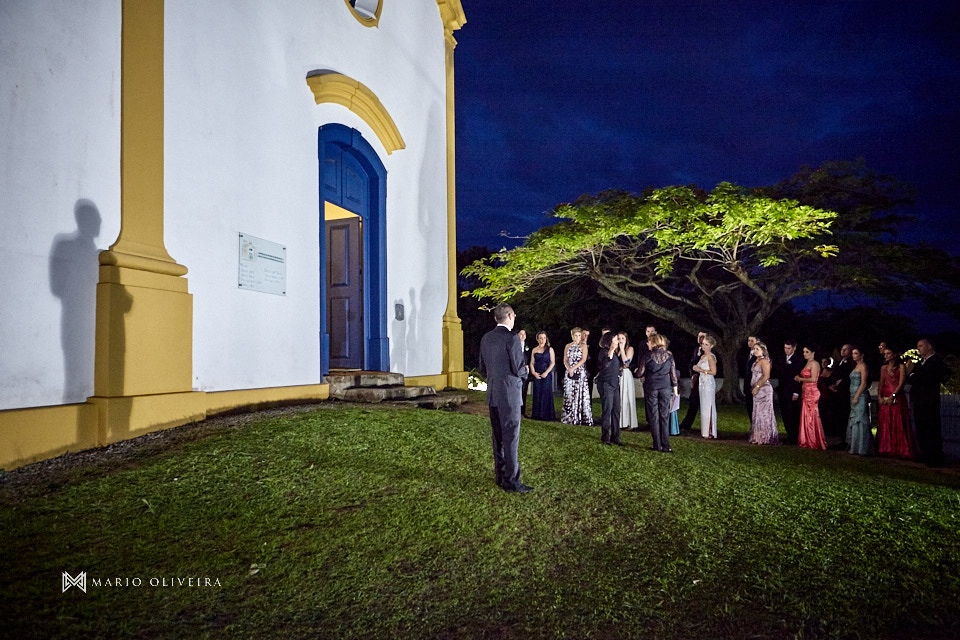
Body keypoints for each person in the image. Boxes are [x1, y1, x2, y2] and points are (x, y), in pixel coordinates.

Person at [477, 303, 532, 493]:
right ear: (509, 316)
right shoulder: (512, 338)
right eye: (514, 315)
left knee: (498, 437)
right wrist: (525, 372)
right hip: (510, 395)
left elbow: (482, 368)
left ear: (495, 318)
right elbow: (518, 369)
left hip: (493, 393)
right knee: (511, 437)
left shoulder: (486, 338)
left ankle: (500, 476)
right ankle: (511, 481)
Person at [908, 338, 948, 466]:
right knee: (921, 428)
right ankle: (925, 453)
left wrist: (915, 376)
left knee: (931, 428)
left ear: (929, 346)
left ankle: (935, 456)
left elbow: (926, 378)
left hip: (929, 400)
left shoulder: (936, 361)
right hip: (919, 400)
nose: (918, 349)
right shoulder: (921, 362)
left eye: (921, 346)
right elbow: (912, 377)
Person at [637, 333, 679, 452]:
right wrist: (675, 387)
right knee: (664, 415)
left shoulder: (647, 356)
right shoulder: (669, 356)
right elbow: (673, 373)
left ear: (654, 343)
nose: (647, 343)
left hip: (651, 386)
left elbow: (640, 373)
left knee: (653, 416)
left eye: (649, 342)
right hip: (665, 387)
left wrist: (637, 371)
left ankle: (657, 444)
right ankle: (666, 445)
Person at [877, 346, 913, 459]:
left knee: (898, 421)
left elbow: (901, 383)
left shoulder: (901, 366)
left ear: (894, 354)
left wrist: (893, 395)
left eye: (888, 353)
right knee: (886, 421)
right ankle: (886, 447)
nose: (886, 355)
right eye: (885, 354)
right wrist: (880, 395)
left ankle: (900, 449)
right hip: (886, 394)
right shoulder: (883, 368)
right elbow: (881, 383)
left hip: (897, 396)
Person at [795, 345, 827, 450]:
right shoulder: (807, 363)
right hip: (806, 391)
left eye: (807, 352)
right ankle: (806, 439)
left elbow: (813, 379)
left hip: (812, 392)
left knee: (811, 415)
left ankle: (813, 440)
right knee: (805, 414)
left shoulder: (815, 363)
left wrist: (800, 379)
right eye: (804, 352)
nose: (804, 354)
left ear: (813, 353)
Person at [596, 332, 625, 445]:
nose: (617, 342)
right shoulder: (603, 352)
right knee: (607, 410)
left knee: (616, 410)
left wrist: (621, 349)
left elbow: (624, 363)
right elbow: (604, 365)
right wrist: (611, 350)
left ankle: (615, 436)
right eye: (615, 340)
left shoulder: (616, 355)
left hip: (614, 384)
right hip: (605, 384)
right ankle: (605, 437)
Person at [748, 341, 779, 445]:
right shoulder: (756, 360)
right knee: (757, 412)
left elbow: (766, 376)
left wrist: (757, 387)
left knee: (764, 413)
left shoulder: (765, 361)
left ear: (763, 350)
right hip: (757, 390)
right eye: (754, 349)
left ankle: (766, 437)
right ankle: (758, 436)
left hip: (764, 389)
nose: (755, 351)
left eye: (757, 349)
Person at [561, 327, 593, 426]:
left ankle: (580, 417)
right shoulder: (568, 346)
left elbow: (583, 360)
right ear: (572, 336)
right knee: (569, 393)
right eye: (575, 335)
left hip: (579, 372)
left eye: (579, 335)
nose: (577, 337)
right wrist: (569, 368)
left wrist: (573, 368)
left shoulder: (583, 346)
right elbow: (565, 359)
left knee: (579, 394)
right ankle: (569, 416)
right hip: (569, 372)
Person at [776, 340, 805, 445]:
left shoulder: (799, 360)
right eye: (785, 348)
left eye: (788, 348)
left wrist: (796, 392)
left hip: (792, 391)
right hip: (782, 390)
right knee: (784, 414)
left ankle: (794, 436)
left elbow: (799, 377)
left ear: (794, 348)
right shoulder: (781, 359)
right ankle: (789, 435)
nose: (786, 350)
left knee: (792, 414)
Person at [847, 347, 872, 456]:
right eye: (852, 353)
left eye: (856, 353)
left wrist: (857, 396)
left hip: (860, 395)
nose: (853, 355)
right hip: (852, 395)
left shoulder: (863, 366)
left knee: (860, 419)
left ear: (862, 355)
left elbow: (864, 383)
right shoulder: (855, 366)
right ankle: (855, 446)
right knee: (854, 420)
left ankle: (863, 447)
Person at [679, 331, 706, 430]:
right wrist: (692, 374)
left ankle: (706, 426)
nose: (700, 338)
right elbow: (691, 363)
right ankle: (687, 424)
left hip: (703, 380)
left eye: (703, 337)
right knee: (693, 402)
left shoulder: (708, 352)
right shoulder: (696, 349)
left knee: (701, 403)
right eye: (699, 336)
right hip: (695, 380)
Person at [829, 344, 854, 442]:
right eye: (842, 349)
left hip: (844, 393)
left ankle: (844, 438)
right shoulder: (839, 362)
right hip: (837, 393)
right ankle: (840, 436)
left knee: (844, 415)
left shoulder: (851, 363)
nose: (843, 351)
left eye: (846, 349)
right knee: (838, 415)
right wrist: (831, 384)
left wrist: (839, 385)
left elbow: (846, 377)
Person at [529, 331, 557, 422]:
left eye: (544, 338)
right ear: (538, 339)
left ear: (546, 339)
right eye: (540, 338)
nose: (542, 340)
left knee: (546, 393)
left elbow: (552, 362)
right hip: (537, 373)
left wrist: (546, 372)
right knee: (537, 393)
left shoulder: (550, 349)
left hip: (546, 373)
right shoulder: (534, 350)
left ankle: (546, 415)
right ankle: (537, 414)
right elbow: (532, 363)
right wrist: (533, 372)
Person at [696, 334, 718, 439]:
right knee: (703, 406)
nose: (704, 346)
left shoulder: (711, 357)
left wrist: (700, 370)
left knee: (708, 405)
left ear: (711, 346)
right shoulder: (702, 356)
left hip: (708, 382)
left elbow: (713, 372)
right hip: (702, 382)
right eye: (703, 344)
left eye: (706, 344)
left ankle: (710, 430)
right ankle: (705, 430)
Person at [618, 331, 639, 431]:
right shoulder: (615, 349)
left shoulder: (629, 349)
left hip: (625, 374)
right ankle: (620, 421)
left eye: (622, 338)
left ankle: (629, 422)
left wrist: (622, 350)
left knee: (627, 398)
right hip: (617, 375)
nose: (620, 340)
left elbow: (626, 363)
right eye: (619, 338)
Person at [664, 336, 681, 436]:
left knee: (670, 406)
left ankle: (672, 428)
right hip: (667, 381)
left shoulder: (668, 354)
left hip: (669, 382)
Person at [741, 336, 758, 427]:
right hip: (748, 385)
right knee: (749, 407)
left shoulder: (758, 356)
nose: (750, 342)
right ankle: (753, 426)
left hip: (755, 385)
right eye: (749, 340)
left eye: (752, 341)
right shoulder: (748, 354)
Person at [517, 329, 531, 416]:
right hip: (517, 371)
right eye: (521, 334)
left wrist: (528, 365)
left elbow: (530, 358)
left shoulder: (528, 346)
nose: (523, 336)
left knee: (524, 391)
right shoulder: (514, 345)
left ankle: (523, 411)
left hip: (525, 372)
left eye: (524, 334)